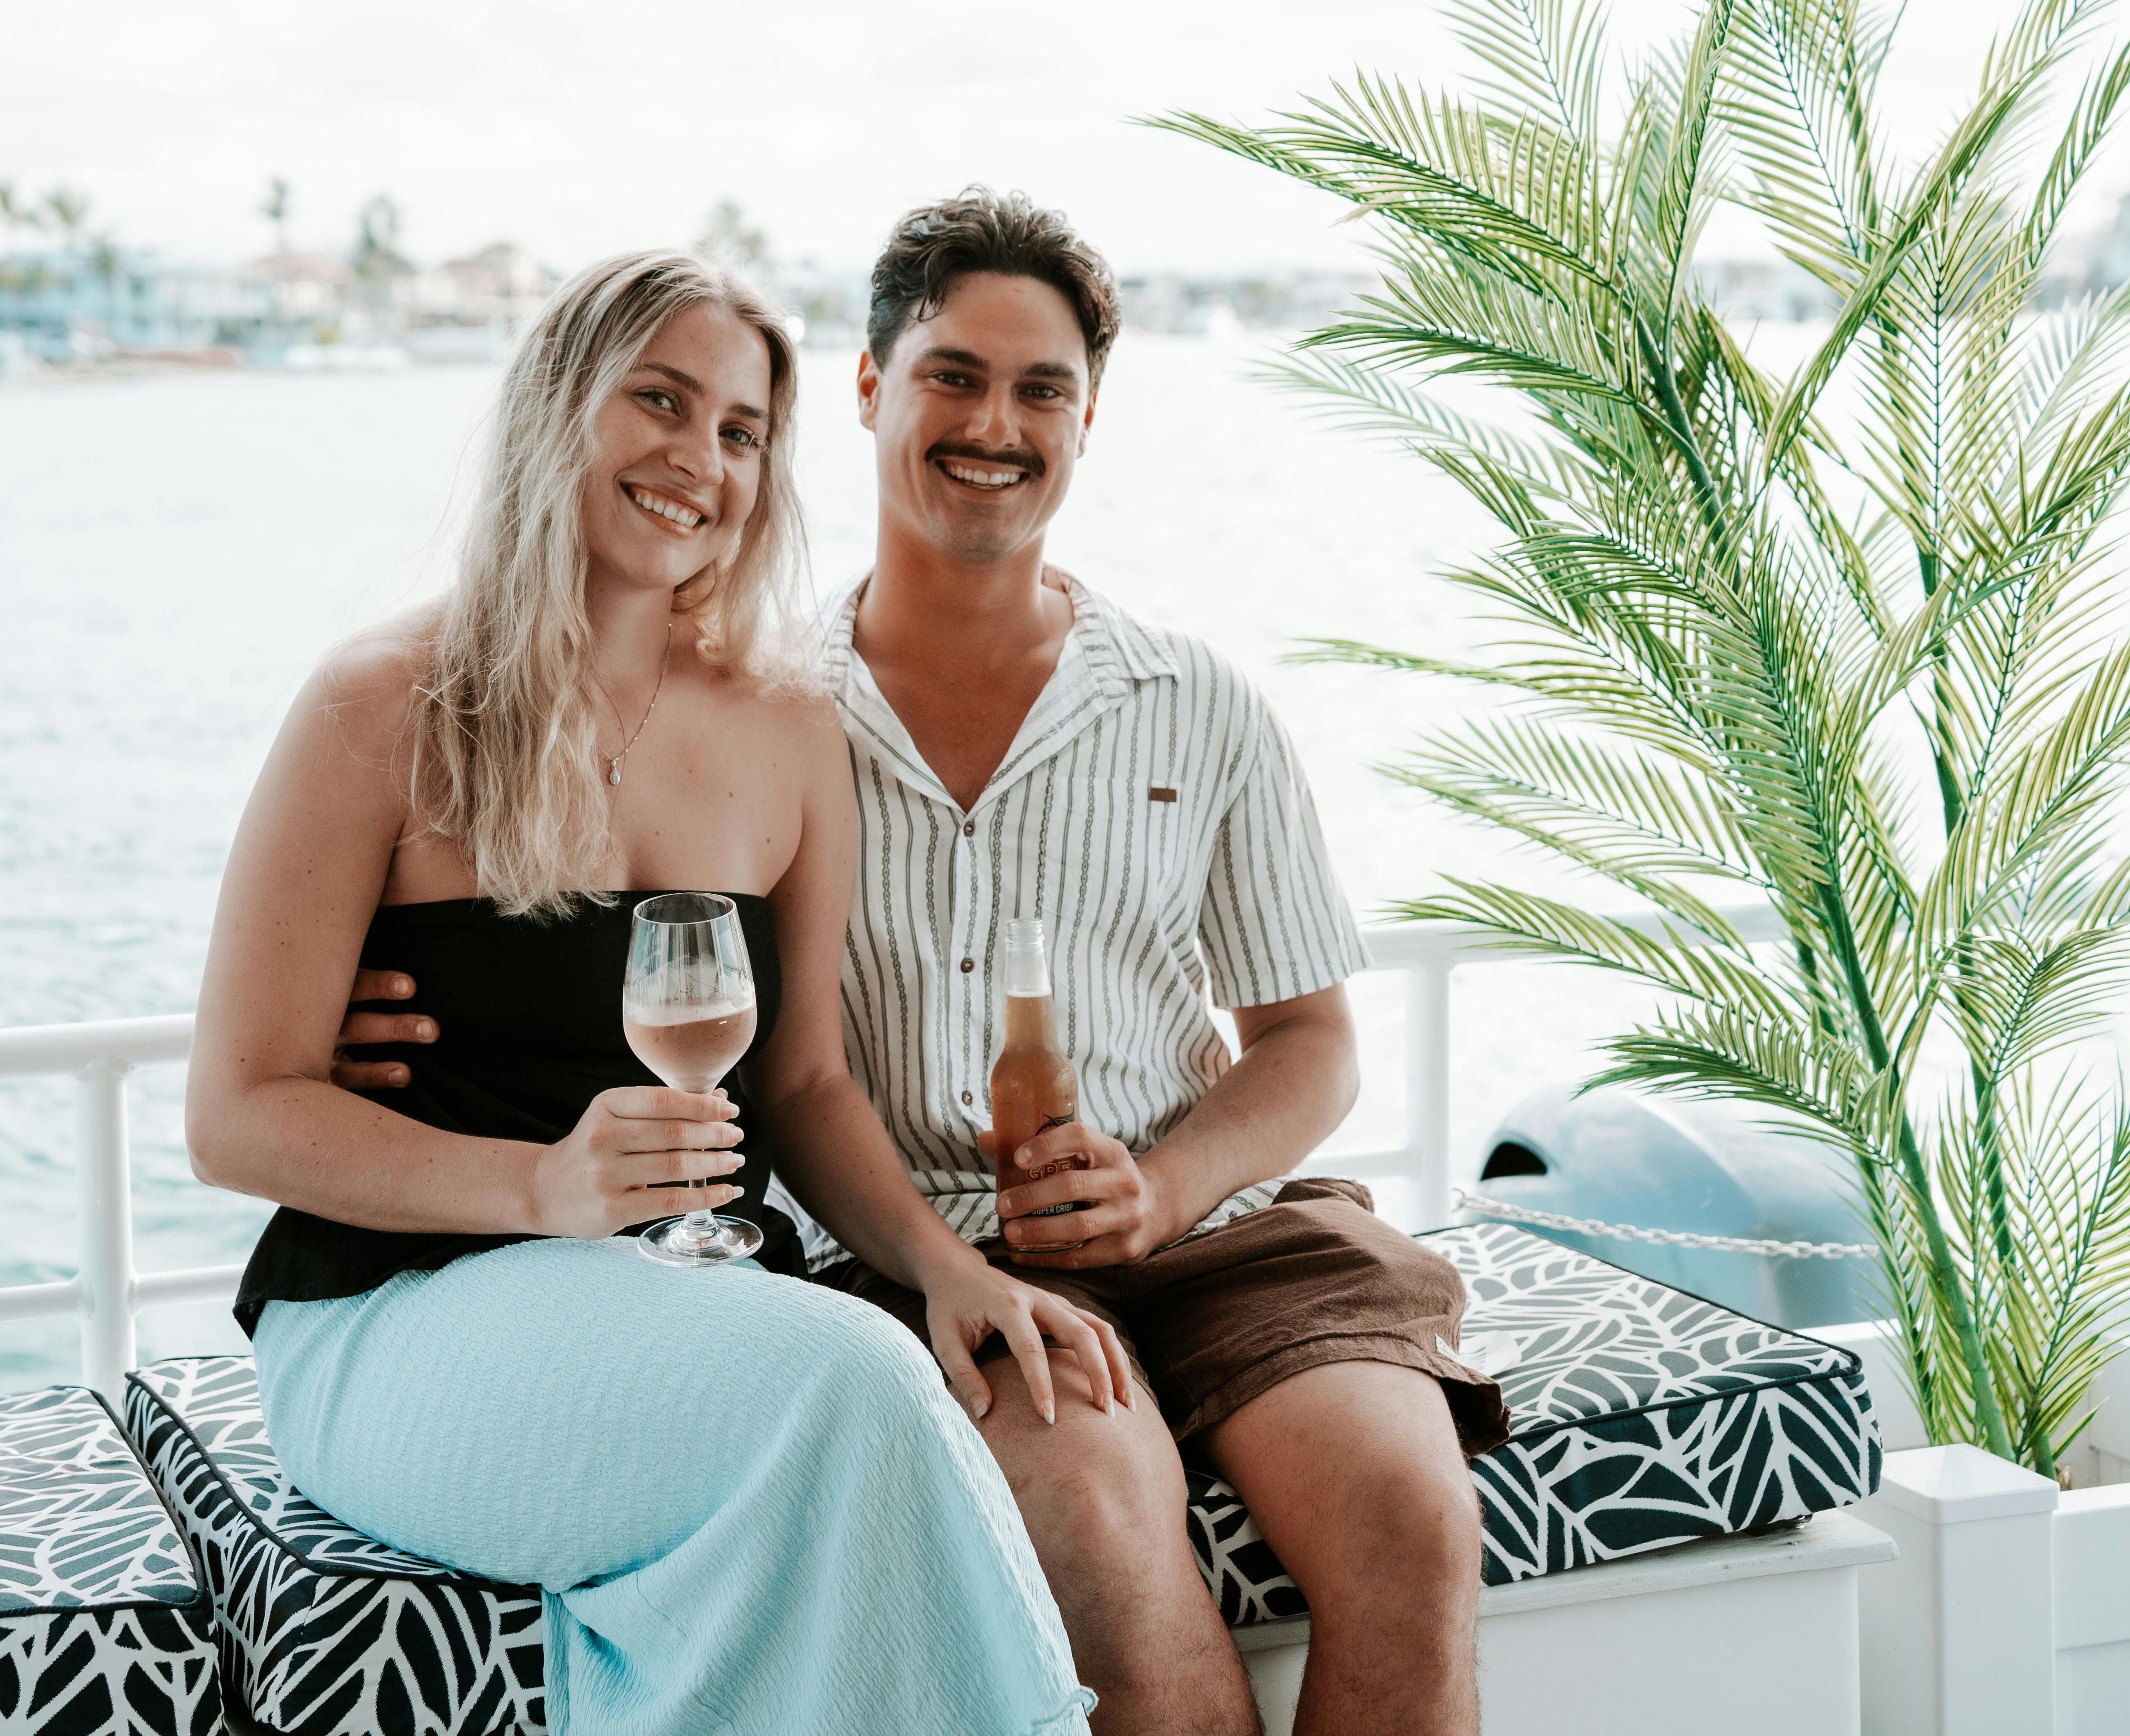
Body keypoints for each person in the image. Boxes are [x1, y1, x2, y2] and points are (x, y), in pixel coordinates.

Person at [340, 195, 1514, 1736]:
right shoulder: (764, 708)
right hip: (912, 1257)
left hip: (1223, 1237)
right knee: (1102, 1540)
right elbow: (569, 878)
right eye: (954, 375)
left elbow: (1312, 1042)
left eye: (1043, 390)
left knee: (1411, 1520)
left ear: (1089, 419)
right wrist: (390, 1005)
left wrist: (1161, 1189)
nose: (995, 425)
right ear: (870, 388)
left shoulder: (1200, 702)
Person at [185, 249, 1113, 1736]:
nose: (701, 459)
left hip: (689, 1300)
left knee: (856, 1397)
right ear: (561, 406)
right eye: (662, 402)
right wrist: (542, 1187)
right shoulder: (384, 701)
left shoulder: (789, 728)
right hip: (400, 1311)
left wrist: (950, 1270)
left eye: (742, 432)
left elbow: (803, 1082)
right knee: (854, 1383)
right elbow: (236, 1116)